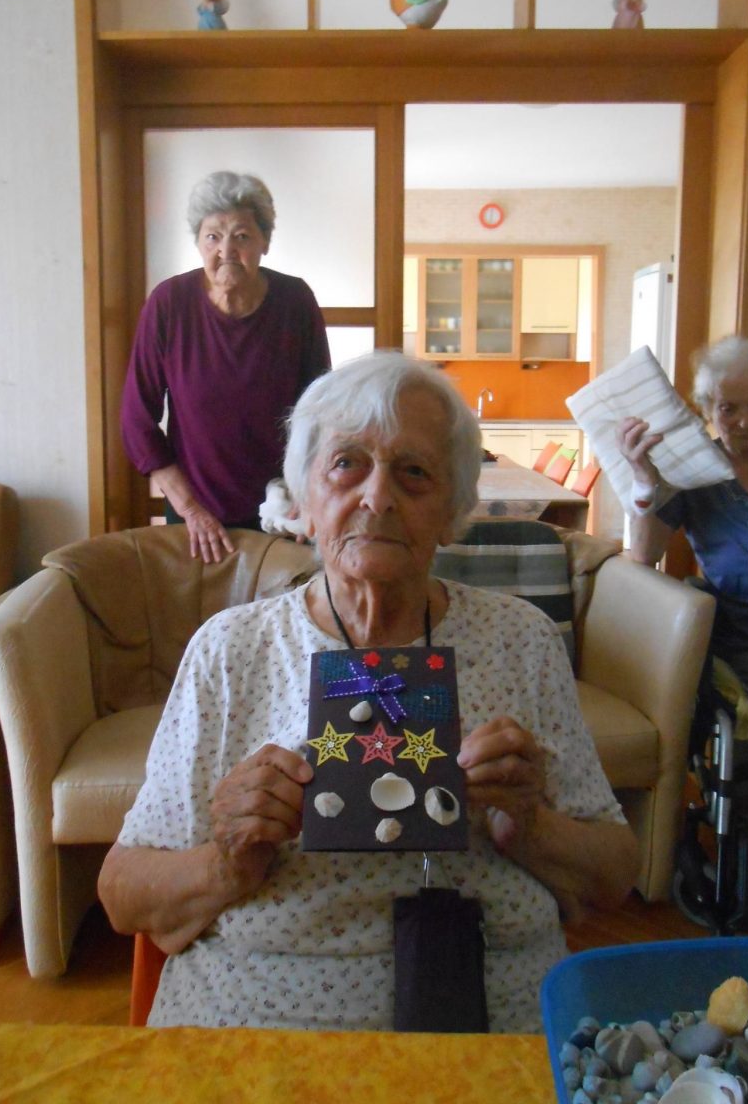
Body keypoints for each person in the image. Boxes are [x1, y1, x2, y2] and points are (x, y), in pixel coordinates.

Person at [100, 351, 638, 1032]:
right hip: (255, 1018)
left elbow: (614, 874)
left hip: (487, 1018)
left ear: (453, 512)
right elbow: (123, 895)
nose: (378, 497)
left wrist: (529, 826)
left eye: (414, 473)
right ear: (302, 504)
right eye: (346, 464)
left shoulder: (520, 639)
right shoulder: (231, 649)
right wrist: (227, 862)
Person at [617, 335, 748, 914]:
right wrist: (644, 482)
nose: (744, 420)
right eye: (728, 407)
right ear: (706, 408)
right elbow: (642, 556)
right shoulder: (692, 472)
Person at [121, 170, 330, 562]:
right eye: (213, 236)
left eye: (242, 236)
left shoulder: (295, 302)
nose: (226, 250)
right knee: (197, 602)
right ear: (198, 243)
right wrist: (190, 510)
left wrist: (307, 496)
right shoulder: (169, 304)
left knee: (281, 599)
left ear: (265, 242)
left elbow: (320, 410)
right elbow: (137, 420)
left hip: (281, 509)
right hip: (195, 513)